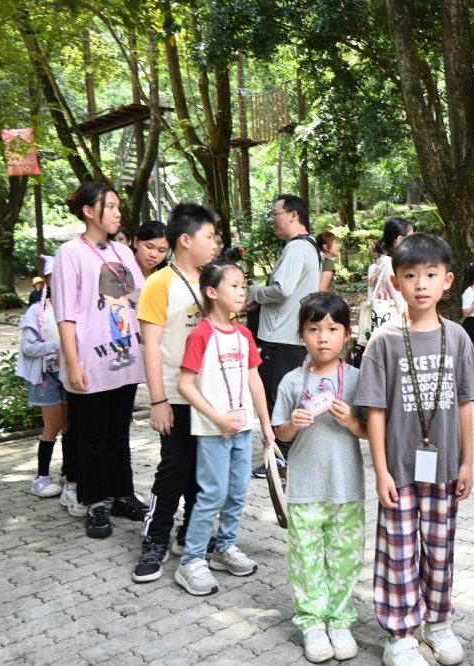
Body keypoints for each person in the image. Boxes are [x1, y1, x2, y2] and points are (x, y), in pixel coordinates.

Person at [354, 233, 474, 666]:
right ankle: (401, 635)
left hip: (445, 468)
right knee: (399, 551)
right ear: (396, 281)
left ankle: (439, 624)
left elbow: (464, 402)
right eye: (411, 276)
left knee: (440, 549)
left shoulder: (459, 338)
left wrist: (467, 461)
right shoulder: (384, 342)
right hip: (400, 470)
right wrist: (381, 471)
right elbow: (375, 411)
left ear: (448, 280)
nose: (421, 284)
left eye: (431, 275)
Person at [272, 292, 368, 663]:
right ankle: (312, 623)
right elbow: (279, 434)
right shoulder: (292, 382)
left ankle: (340, 620)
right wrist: (291, 425)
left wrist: (351, 421)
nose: (323, 337)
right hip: (305, 489)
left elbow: (370, 431)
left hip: (347, 487)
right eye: (314, 329)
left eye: (332, 329)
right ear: (302, 334)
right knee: (306, 558)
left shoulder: (359, 379)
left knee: (345, 559)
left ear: (347, 334)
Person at [53, 182, 150, 539]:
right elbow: (65, 313)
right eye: (109, 206)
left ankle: (123, 494)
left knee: (118, 431)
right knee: (91, 435)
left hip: (124, 356)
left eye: (118, 207)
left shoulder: (124, 253)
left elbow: (138, 300)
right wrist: (73, 362)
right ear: (88, 211)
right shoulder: (70, 253)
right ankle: (94, 503)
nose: (117, 212)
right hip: (89, 361)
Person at [175, 258, 274, 596]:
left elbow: (254, 379)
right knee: (212, 494)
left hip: (243, 428)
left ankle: (224, 548)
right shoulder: (202, 333)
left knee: (236, 492)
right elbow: (185, 385)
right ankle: (191, 561)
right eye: (234, 285)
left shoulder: (244, 334)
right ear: (212, 292)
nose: (241, 290)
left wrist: (266, 423)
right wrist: (216, 418)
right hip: (212, 431)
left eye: (243, 285)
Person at [133, 204, 218, 583]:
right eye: (209, 237)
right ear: (185, 240)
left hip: (210, 396)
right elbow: (150, 346)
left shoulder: (213, 280)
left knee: (203, 471)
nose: (215, 243)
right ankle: (155, 538)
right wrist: (158, 400)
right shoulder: (159, 283)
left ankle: (191, 534)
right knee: (174, 468)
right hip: (175, 395)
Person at [247, 194, 321, 477]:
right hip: (295, 336)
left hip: (281, 337)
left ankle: (282, 457)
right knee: (289, 396)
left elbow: (281, 289)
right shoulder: (311, 247)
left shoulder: (295, 249)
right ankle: (291, 454)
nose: (273, 220)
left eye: (276, 214)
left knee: (276, 398)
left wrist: (255, 292)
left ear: (292, 215)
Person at [15, 258, 69, 499]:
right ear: (47, 280)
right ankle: (41, 477)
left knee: (69, 425)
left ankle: (69, 472)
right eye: (54, 276)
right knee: (53, 425)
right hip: (45, 376)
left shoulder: (76, 308)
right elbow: (28, 347)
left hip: (70, 373)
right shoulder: (36, 311)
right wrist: (59, 345)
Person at [367, 218, 414, 312]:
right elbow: (401, 304)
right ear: (400, 239)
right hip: (395, 322)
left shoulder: (383, 261)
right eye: (411, 238)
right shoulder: (389, 264)